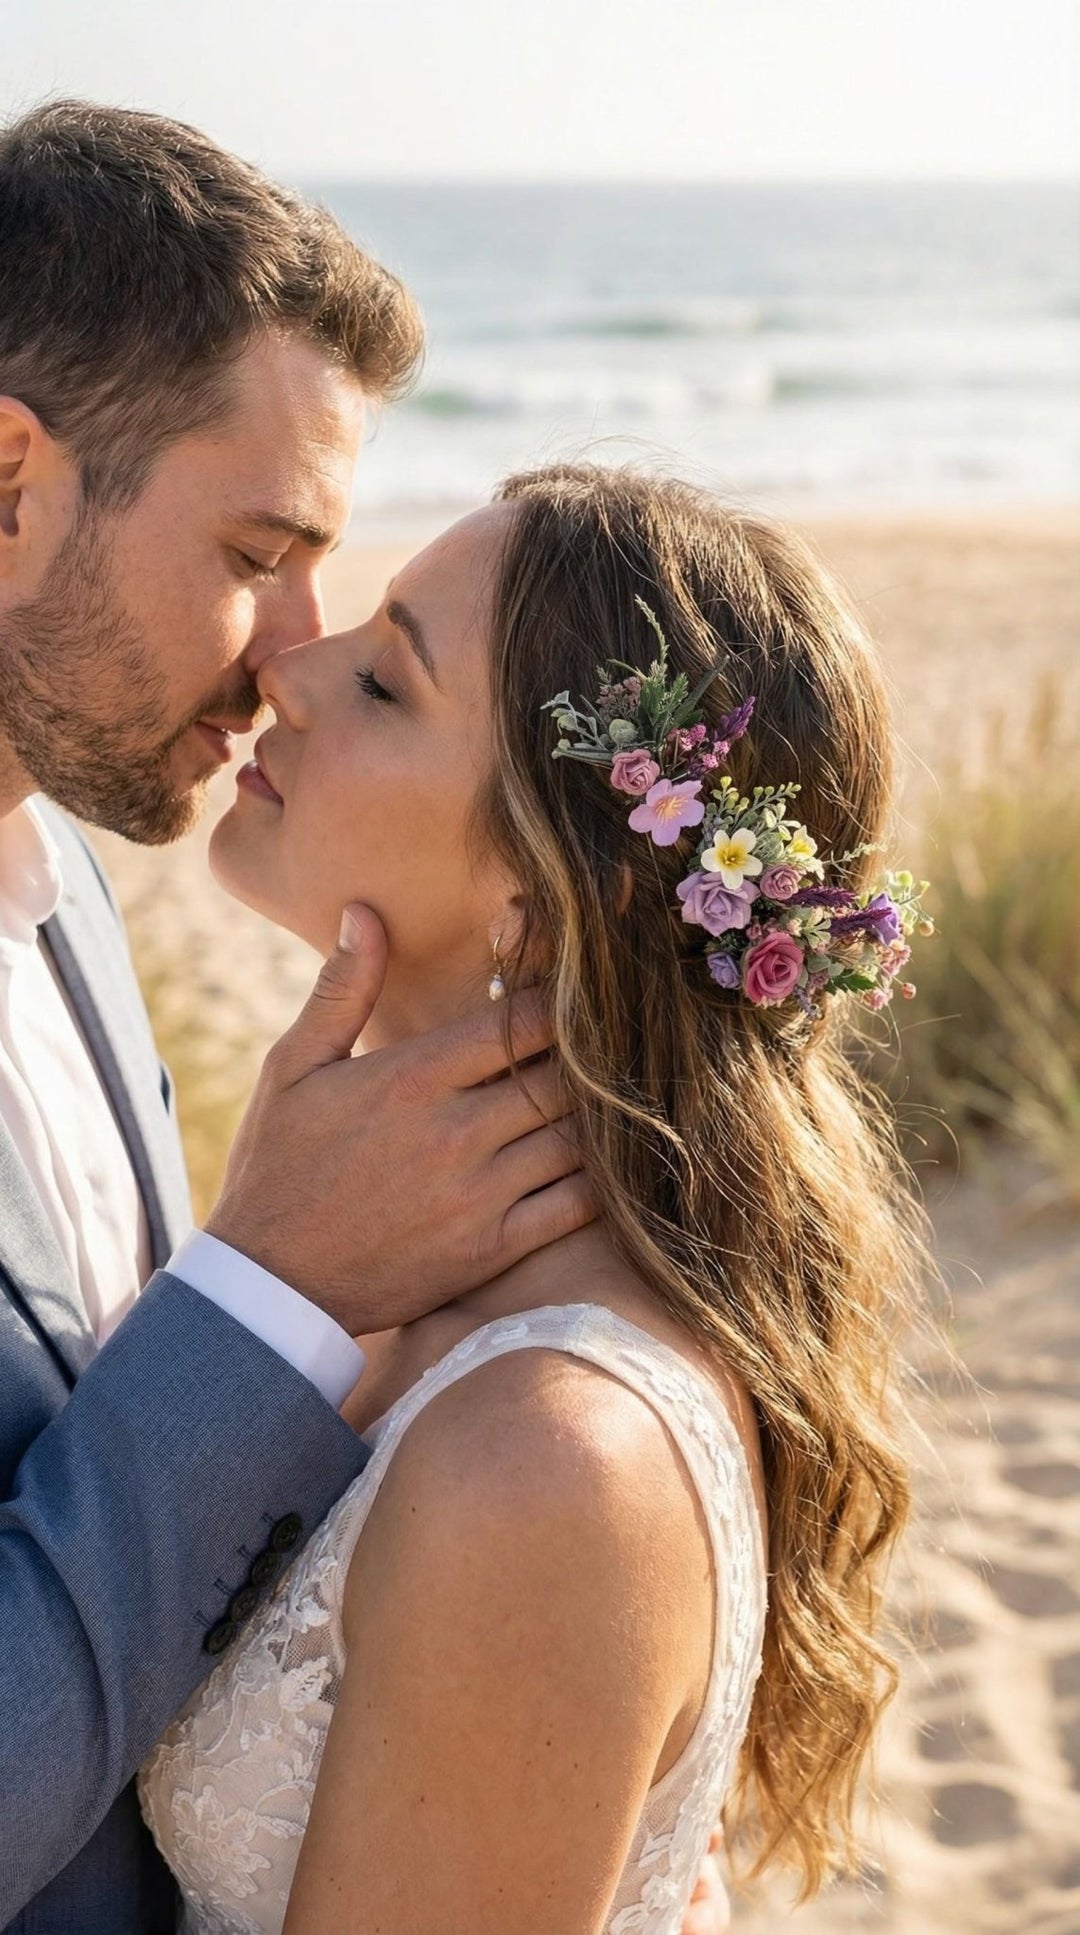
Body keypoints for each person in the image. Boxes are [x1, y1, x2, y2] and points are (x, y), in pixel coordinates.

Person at [139, 464, 932, 1932]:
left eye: (384, 679)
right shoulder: (409, 1292)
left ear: (547, 897)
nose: (282, 671)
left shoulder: (549, 1462)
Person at [0, 102, 595, 1932]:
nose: (291, 650)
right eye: (261, 551)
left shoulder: (78, 893)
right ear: (10, 487)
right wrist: (266, 1290)